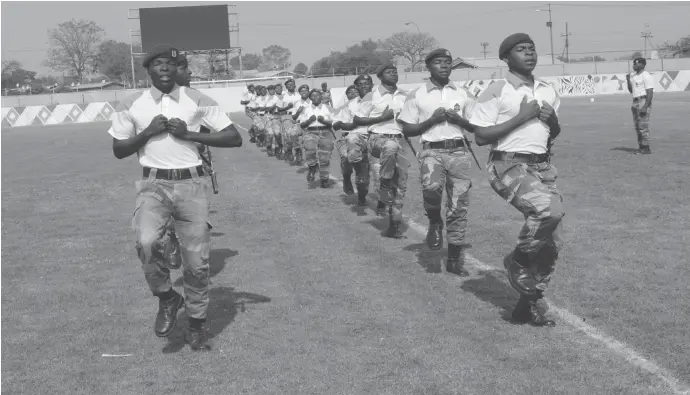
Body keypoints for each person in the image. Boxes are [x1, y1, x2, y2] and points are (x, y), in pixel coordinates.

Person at [108, 45, 243, 350]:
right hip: (153, 184)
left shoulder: (197, 99)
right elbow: (119, 150)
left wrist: (190, 135)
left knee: (196, 263)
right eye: (158, 64)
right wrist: (146, 134)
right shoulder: (131, 103)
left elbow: (234, 137)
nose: (165, 68)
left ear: (177, 67)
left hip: (191, 184)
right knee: (146, 241)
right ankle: (167, 297)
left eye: (170, 63)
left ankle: (196, 324)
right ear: (149, 70)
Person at [468, 33, 563, 326]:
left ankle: (528, 303)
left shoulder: (549, 90)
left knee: (551, 243)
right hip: (507, 164)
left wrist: (551, 120)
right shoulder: (497, 90)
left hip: (542, 166)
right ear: (506, 58)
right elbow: (481, 136)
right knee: (549, 211)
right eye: (521, 50)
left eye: (532, 49)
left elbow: (553, 133)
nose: (529, 53)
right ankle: (517, 262)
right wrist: (523, 116)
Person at [398, 48, 476, 277]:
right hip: (432, 151)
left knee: (458, 207)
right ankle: (434, 221)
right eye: (439, 62)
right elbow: (408, 128)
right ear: (428, 67)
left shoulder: (462, 93)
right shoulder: (416, 95)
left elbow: (477, 125)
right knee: (431, 188)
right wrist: (432, 120)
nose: (444, 66)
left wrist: (458, 119)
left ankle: (454, 259)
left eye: (448, 62)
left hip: (459, 153)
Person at [353, 63, 410, 238]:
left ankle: (394, 225)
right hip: (378, 138)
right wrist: (382, 117)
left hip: (399, 140)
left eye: (395, 71)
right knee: (382, 177)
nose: (393, 73)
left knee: (400, 185)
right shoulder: (371, 95)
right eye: (388, 71)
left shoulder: (405, 96)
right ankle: (384, 185)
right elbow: (358, 120)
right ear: (380, 76)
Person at [336, 74, 374, 205]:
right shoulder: (351, 104)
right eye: (360, 84)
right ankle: (347, 177)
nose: (364, 86)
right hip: (350, 138)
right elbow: (341, 123)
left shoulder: (378, 101)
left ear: (372, 85)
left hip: (370, 138)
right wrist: (349, 124)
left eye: (367, 83)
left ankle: (362, 196)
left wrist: (355, 123)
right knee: (347, 159)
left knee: (364, 173)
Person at [299, 89, 335, 187]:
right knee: (309, 148)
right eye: (313, 96)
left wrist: (324, 121)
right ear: (310, 98)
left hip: (326, 132)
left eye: (318, 96)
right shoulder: (305, 109)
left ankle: (324, 179)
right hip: (311, 132)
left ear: (321, 97)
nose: (315, 98)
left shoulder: (328, 108)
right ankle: (312, 166)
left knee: (325, 157)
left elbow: (335, 123)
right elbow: (302, 125)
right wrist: (309, 120)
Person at [332, 84, 361, 196]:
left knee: (361, 164)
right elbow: (335, 123)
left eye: (355, 91)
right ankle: (347, 178)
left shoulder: (365, 105)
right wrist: (339, 123)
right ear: (346, 95)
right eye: (350, 92)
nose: (353, 94)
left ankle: (361, 187)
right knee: (345, 158)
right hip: (345, 137)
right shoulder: (342, 108)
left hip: (362, 137)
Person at [626, 57, 654, 154]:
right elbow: (631, 91)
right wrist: (628, 80)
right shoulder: (634, 76)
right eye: (633, 63)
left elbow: (650, 92)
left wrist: (645, 106)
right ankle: (641, 146)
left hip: (643, 100)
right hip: (635, 101)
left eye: (636, 63)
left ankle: (646, 148)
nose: (633, 65)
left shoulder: (646, 76)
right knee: (637, 126)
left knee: (643, 126)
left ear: (642, 64)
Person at [277, 79, 302, 163]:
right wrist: (287, 107)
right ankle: (296, 150)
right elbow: (279, 108)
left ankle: (289, 149)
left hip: (299, 117)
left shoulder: (299, 95)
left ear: (295, 85)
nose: (290, 85)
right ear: (286, 87)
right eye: (288, 84)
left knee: (295, 135)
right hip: (287, 116)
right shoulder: (282, 96)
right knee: (291, 134)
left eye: (292, 84)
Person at [286, 84, 311, 165]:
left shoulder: (313, 102)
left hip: (310, 126)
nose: (304, 92)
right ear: (299, 93)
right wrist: (298, 112)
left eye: (306, 90)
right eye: (301, 91)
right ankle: (297, 149)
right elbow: (293, 117)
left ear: (309, 91)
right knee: (292, 133)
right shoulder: (297, 103)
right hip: (300, 125)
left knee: (309, 144)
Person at [263, 84, 281, 157]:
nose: (272, 91)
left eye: (273, 89)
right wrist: (274, 105)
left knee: (277, 133)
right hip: (268, 116)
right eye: (270, 89)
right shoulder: (266, 98)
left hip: (276, 116)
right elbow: (268, 109)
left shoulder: (277, 97)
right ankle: (269, 147)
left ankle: (277, 148)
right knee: (270, 133)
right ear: (268, 91)